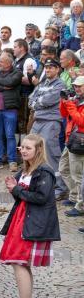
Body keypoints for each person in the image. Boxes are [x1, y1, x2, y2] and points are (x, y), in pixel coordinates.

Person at [0, 134, 60, 298]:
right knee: (20, 263)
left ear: (38, 150)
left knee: (18, 262)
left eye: (28, 148)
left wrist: (16, 189)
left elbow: (41, 198)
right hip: (21, 220)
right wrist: (13, 188)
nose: (23, 150)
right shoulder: (25, 171)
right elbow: (23, 196)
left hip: (32, 223)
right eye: (22, 147)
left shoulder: (44, 172)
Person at [28, 58, 66, 194]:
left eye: (51, 67)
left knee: (51, 154)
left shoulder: (60, 85)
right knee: (32, 151)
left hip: (51, 122)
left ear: (57, 69)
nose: (48, 69)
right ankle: (38, 182)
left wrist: (38, 102)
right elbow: (30, 100)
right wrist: (38, 102)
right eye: (47, 67)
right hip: (37, 121)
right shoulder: (42, 83)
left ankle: (59, 187)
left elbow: (49, 100)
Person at [0, 52, 23, 170]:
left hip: (10, 109)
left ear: (8, 63)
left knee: (10, 136)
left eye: (1, 61)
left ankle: (12, 160)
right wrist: (3, 86)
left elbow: (11, 82)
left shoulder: (17, 72)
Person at [59, 76, 84, 220]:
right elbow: (63, 114)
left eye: (80, 86)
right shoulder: (76, 100)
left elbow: (80, 121)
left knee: (78, 175)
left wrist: (70, 104)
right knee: (64, 169)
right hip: (71, 140)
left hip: (79, 143)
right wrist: (64, 101)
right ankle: (74, 196)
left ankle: (80, 206)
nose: (77, 89)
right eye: (75, 86)